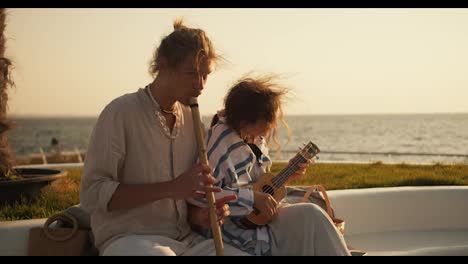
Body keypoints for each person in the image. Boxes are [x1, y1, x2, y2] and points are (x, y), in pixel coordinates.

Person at [79, 19, 250, 256]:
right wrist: (171, 188)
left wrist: (200, 216)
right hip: (128, 238)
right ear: (163, 65)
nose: (200, 85)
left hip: (185, 240)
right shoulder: (120, 112)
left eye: (205, 75)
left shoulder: (193, 120)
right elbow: (91, 194)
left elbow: (184, 199)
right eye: (191, 73)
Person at [196, 75, 351, 256]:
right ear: (245, 121)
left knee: (312, 214)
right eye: (268, 120)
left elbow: (259, 184)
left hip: (262, 219)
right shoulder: (221, 141)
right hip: (233, 229)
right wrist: (252, 199)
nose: (272, 125)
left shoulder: (255, 138)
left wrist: (287, 176)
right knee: (308, 218)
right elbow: (202, 193)